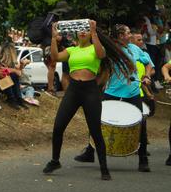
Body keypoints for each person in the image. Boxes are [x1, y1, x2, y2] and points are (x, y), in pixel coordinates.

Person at [43, 19, 133, 180]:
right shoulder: (71, 50)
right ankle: (55, 160)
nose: (82, 32)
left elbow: (101, 54)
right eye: (81, 30)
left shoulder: (95, 48)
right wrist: (53, 38)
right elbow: (55, 57)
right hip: (73, 90)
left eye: (85, 30)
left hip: (90, 91)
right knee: (58, 127)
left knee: (95, 131)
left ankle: (104, 168)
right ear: (76, 34)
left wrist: (94, 33)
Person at [72, 25, 152, 171]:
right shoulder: (110, 50)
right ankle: (90, 152)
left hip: (132, 93)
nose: (131, 35)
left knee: (141, 125)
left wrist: (146, 76)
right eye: (128, 32)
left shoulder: (134, 49)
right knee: (96, 121)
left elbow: (148, 64)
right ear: (121, 36)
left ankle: (143, 160)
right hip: (112, 91)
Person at [0, 43, 30, 109]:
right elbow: (2, 72)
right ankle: (11, 99)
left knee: (14, 75)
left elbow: (19, 74)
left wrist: (21, 65)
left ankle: (18, 98)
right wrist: (13, 70)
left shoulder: (12, 63)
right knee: (5, 75)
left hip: (4, 86)